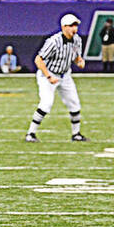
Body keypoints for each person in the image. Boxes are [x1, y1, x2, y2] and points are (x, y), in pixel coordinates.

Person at [26, 13, 87, 141]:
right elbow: (38, 59)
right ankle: (30, 133)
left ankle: (76, 134)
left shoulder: (77, 40)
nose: (74, 29)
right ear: (64, 27)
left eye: (76, 25)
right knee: (46, 104)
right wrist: (49, 76)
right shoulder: (54, 41)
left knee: (75, 104)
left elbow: (75, 57)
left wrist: (79, 61)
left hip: (65, 75)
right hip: (48, 74)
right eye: (71, 25)